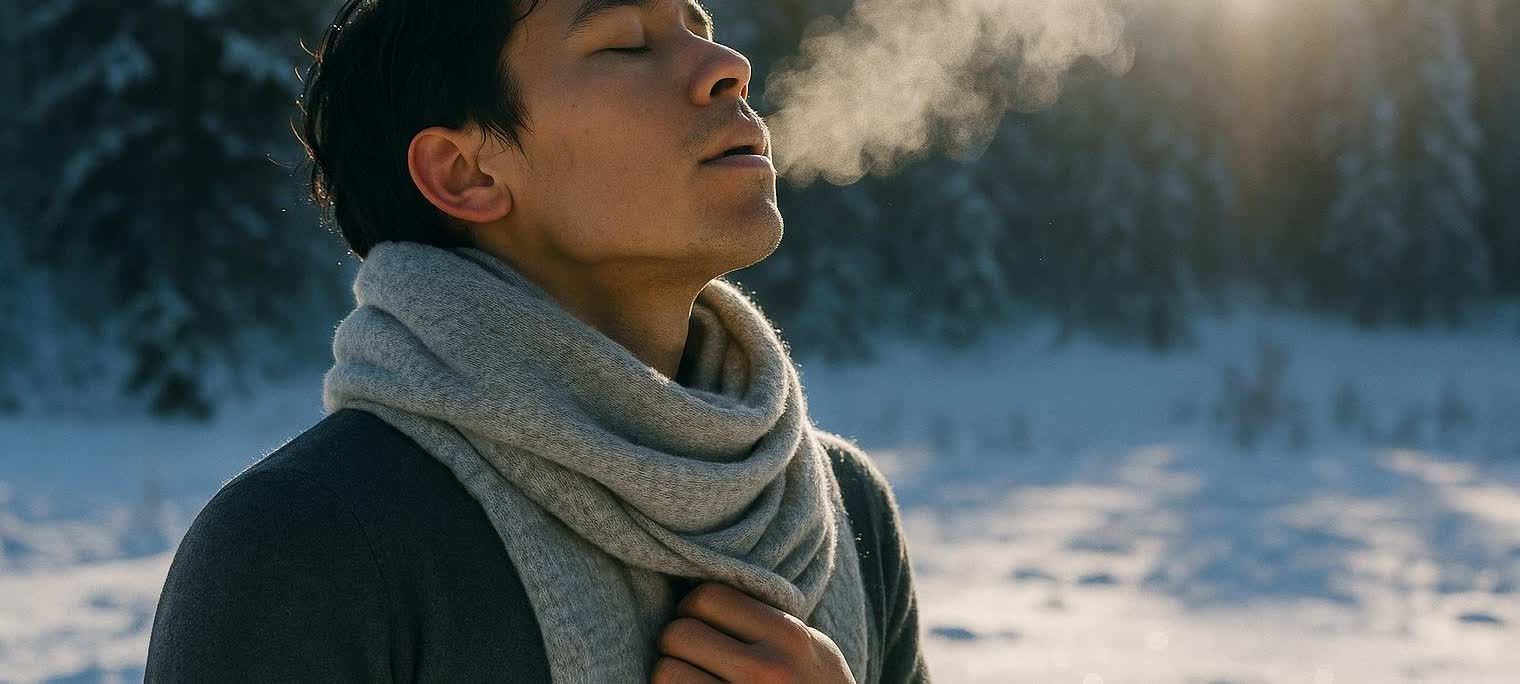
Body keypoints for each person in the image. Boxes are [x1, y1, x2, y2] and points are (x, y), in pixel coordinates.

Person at [144, 0, 932, 681]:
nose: (728, 65)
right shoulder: (308, 543)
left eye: (703, 27)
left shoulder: (842, 508)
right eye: (626, 42)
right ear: (465, 173)